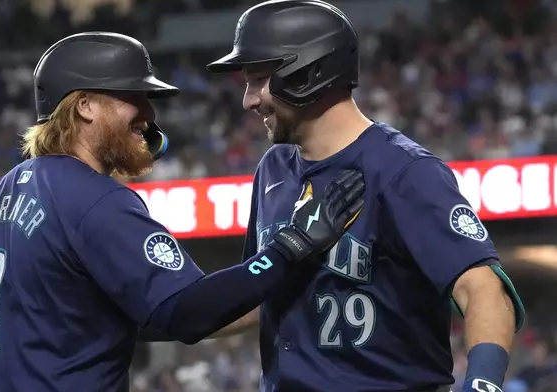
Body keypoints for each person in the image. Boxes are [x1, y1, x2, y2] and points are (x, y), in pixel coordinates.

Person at [0, 32, 366, 392]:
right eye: (134, 96)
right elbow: (188, 312)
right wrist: (290, 249)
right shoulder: (95, 200)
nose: (149, 113)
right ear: (85, 105)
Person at [206, 1, 526, 391]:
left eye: (258, 80)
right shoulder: (273, 169)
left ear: (307, 73)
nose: (249, 100)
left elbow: (483, 290)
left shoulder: (404, 171)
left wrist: (483, 384)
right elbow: (257, 295)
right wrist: (164, 316)